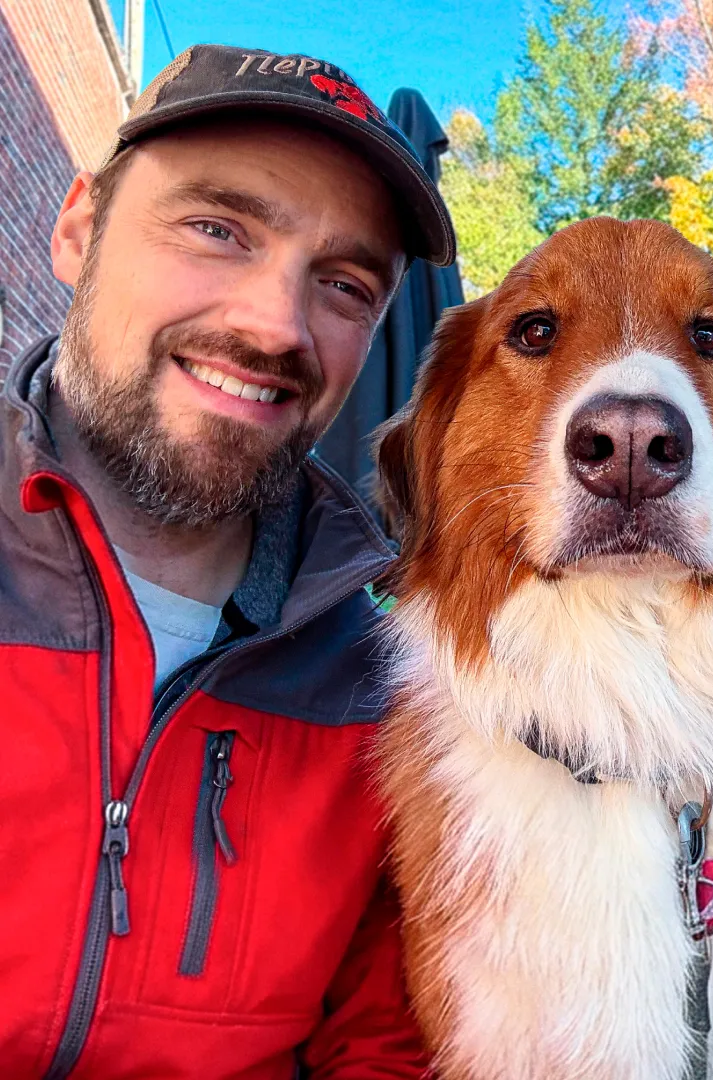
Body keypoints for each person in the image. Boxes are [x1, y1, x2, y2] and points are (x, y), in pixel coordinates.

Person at [0, 43, 455, 1077]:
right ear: (78, 230)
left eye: (344, 284)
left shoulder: (391, 699)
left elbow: (385, 1046)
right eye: (218, 229)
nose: (275, 324)